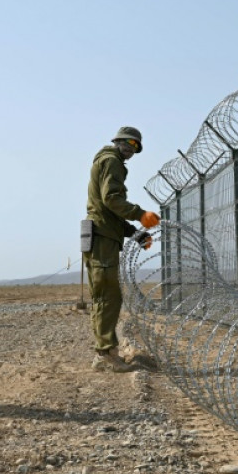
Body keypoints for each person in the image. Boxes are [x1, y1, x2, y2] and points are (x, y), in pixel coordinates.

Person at [84, 126, 160, 372]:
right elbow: (112, 199)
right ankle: (106, 356)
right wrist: (139, 214)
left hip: (102, 236)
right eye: (128, 142)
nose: (131, 148)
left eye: (136, 146)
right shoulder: (111, 161)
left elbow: (109, 212)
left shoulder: (106, 160)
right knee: (108, 297)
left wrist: (135, 234)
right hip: (102, 240)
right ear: (117, 141)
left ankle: (103, 353)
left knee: (102, 297)